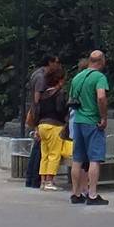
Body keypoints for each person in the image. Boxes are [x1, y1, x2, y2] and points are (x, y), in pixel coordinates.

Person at [67, 49, 110, 206]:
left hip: (77, 121)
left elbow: (72, 98)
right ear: (101, 61)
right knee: (94, 159)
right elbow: (101, 97)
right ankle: (92, 195)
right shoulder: (99, 77)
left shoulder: (77, 77)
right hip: (92, 121)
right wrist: (103, 117)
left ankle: (76, 193)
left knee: (78, 159)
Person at [23, 54, 60, 188]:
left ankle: (32, 179)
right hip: (40, 116)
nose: (57, 65)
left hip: (37, 114)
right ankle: (33, 179)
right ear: (50, 62)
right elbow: (38, 99)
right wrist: (37, 121)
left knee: (39, 148)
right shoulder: (41, 77)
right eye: (56, 62)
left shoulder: (36, 74)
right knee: (40, 149)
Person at [32, 60, 68, 190]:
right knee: (54, 154)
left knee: (45, 154)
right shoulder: (59, 94)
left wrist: (36, 126)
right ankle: (50, 181)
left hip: (42, 126)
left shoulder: (43, 94)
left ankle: (42, 181)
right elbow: (60, 110)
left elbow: (37, 110)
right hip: (55, 126)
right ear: (59, 80)